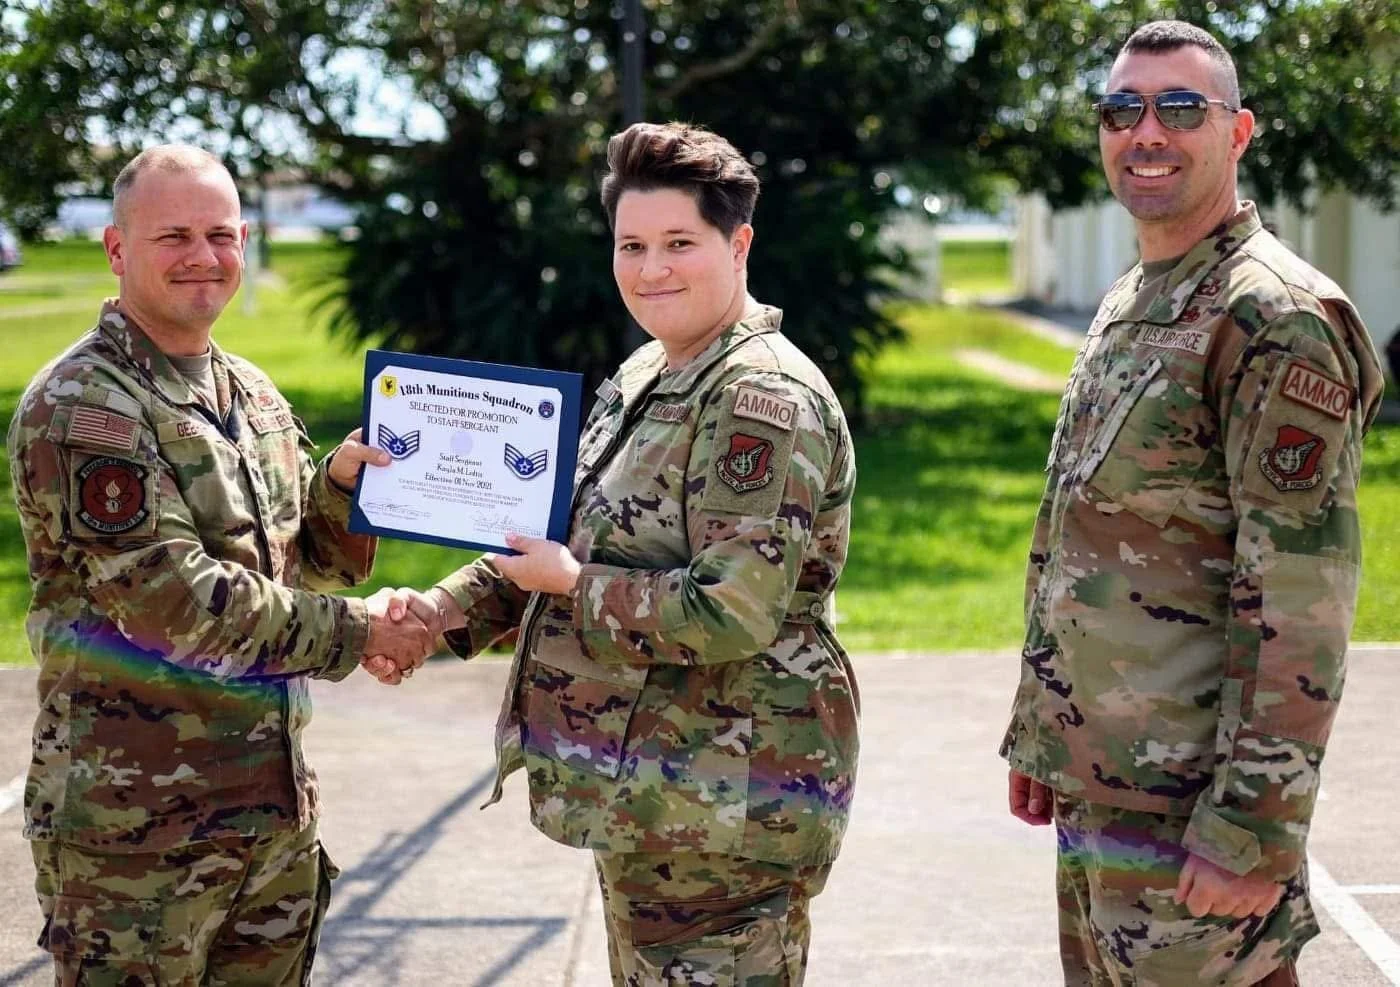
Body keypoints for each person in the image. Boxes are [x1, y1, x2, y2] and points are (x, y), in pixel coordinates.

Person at [375, 122, 860, 985]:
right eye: (631, 245)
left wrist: (572, 584)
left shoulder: (760, 399)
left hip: (729, 805)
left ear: (739, 243)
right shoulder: (650, 371)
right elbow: (550, 532)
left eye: (680, 243)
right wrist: (438, 615)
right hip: (656, 797)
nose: (650, 269)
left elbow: (732, 607)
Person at [1000, 20, 1384, 987]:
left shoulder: (1275, 315)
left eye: (1180, 107)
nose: (1147, 132)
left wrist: (1254, 823)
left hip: (1194, 810)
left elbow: (1301, 597)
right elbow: (1077, 528)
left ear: (1238, 131)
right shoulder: (1138, 291)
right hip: (1105, 786)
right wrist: (1041, 725)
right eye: (1122, 110)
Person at [7, 145, 433, 984]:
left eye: (220, 234)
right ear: (118, 248)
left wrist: (340, 492)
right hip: (137, 838)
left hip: (270, 819)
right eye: (174, 236)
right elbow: (176, 605)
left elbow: (304, 564)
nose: (203, 256)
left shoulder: (253, 394)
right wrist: (367, 631)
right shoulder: (86, 406)